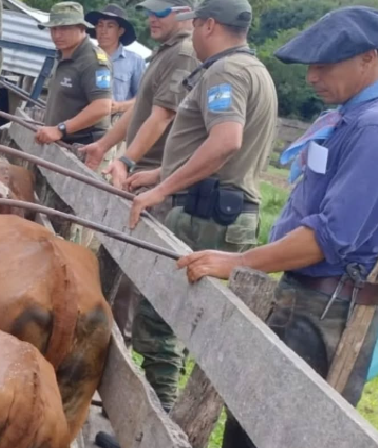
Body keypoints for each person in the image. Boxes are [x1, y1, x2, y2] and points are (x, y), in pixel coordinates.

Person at [175, 6, 378, 448]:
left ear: (368, 58)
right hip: (322, 298)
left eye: (325, 65)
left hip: (324, 306)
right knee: (259, 422)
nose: (313, 76)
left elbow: (328, 236)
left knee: (271, 431)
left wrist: (241, 261)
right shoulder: (360, 114)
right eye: (311, 65)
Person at [125, 0, 279, 412]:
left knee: (162, 320)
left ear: (209, 25)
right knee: (193, 322)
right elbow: (215, 146)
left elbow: (226, 141)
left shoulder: (225, 72)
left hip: (204, 213)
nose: (192, 34)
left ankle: (157, 427)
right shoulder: (253, 69)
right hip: (222, 208)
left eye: (195, 26)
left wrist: (162, 190)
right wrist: (160, 175)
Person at [79, 0, 198, 357]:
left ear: (185, 14)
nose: (151, 19)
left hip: (157, 176)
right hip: (140, 172)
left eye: (160, 13)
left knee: (135, 274)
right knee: (115, 260)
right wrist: (103, 146)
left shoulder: (185, 54)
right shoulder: (163, 54)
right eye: (150, 12)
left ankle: (117, 359)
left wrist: (127, 160)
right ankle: (98, 352)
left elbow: (161, 117)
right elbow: (140, 113)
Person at [34, 2, 113, 147]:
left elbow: (102, 106)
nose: (57, 35)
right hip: (61, 142)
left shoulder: (93, 61)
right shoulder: (62, 55)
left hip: (84, 147)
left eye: (64, 28)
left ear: (81, 27)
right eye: (54, 29)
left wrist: (60, 129)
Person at [85, 4, 147, 177]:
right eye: (99, 25)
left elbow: (143, 99)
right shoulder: (85, 58)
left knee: (103, 179)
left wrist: (118, 106)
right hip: (83, 127)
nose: (103, 30)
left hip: (116, 130)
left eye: (110, 26)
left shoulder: (134, 62)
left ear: (121, 31)